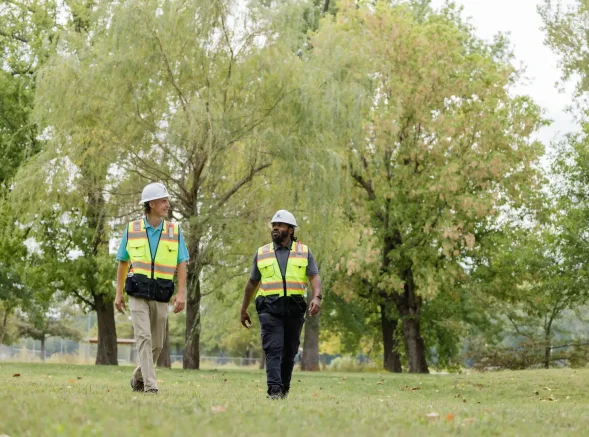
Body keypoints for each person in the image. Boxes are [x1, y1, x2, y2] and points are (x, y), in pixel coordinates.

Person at [114, 182, 188, 394]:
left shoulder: (174, 231)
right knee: (144, 339)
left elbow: (182, 262)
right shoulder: (132, 229)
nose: (167, 204)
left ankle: (138, 376)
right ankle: (150, 386)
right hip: (137, 292)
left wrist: (181, 292)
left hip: (161, 294)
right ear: (152, 204)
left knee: (157, 344)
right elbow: (122, 261)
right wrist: (118, 293)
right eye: (163, 201)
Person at [240, 210, 322, 399]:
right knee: (273, 347)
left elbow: (314, 276)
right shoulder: (262, 253)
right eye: (274, 225)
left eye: (280, 225)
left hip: (294, 308)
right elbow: (252, 283)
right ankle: (274, 390)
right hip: (269, 308)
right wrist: (243, 308)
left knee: (290, 351)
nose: (275, 228)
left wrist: (317, 296)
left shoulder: (304, 252)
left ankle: (284, 387)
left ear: (291, 230)